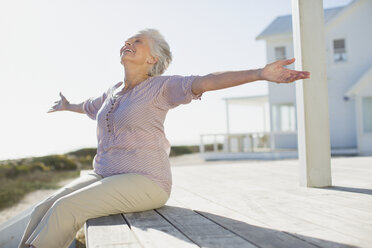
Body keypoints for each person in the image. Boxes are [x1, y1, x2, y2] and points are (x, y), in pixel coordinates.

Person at [18, 28, 310, 248]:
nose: (128, 44)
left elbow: (207, 80)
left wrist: (259, 73)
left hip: (146, 180)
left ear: (153, 58)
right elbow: (89, 107)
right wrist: (68, 106)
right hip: (104, 174)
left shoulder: (162, 87)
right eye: (127, 41)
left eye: (137, 42)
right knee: (44, 206)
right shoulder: (112, 92)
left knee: (66, 208)